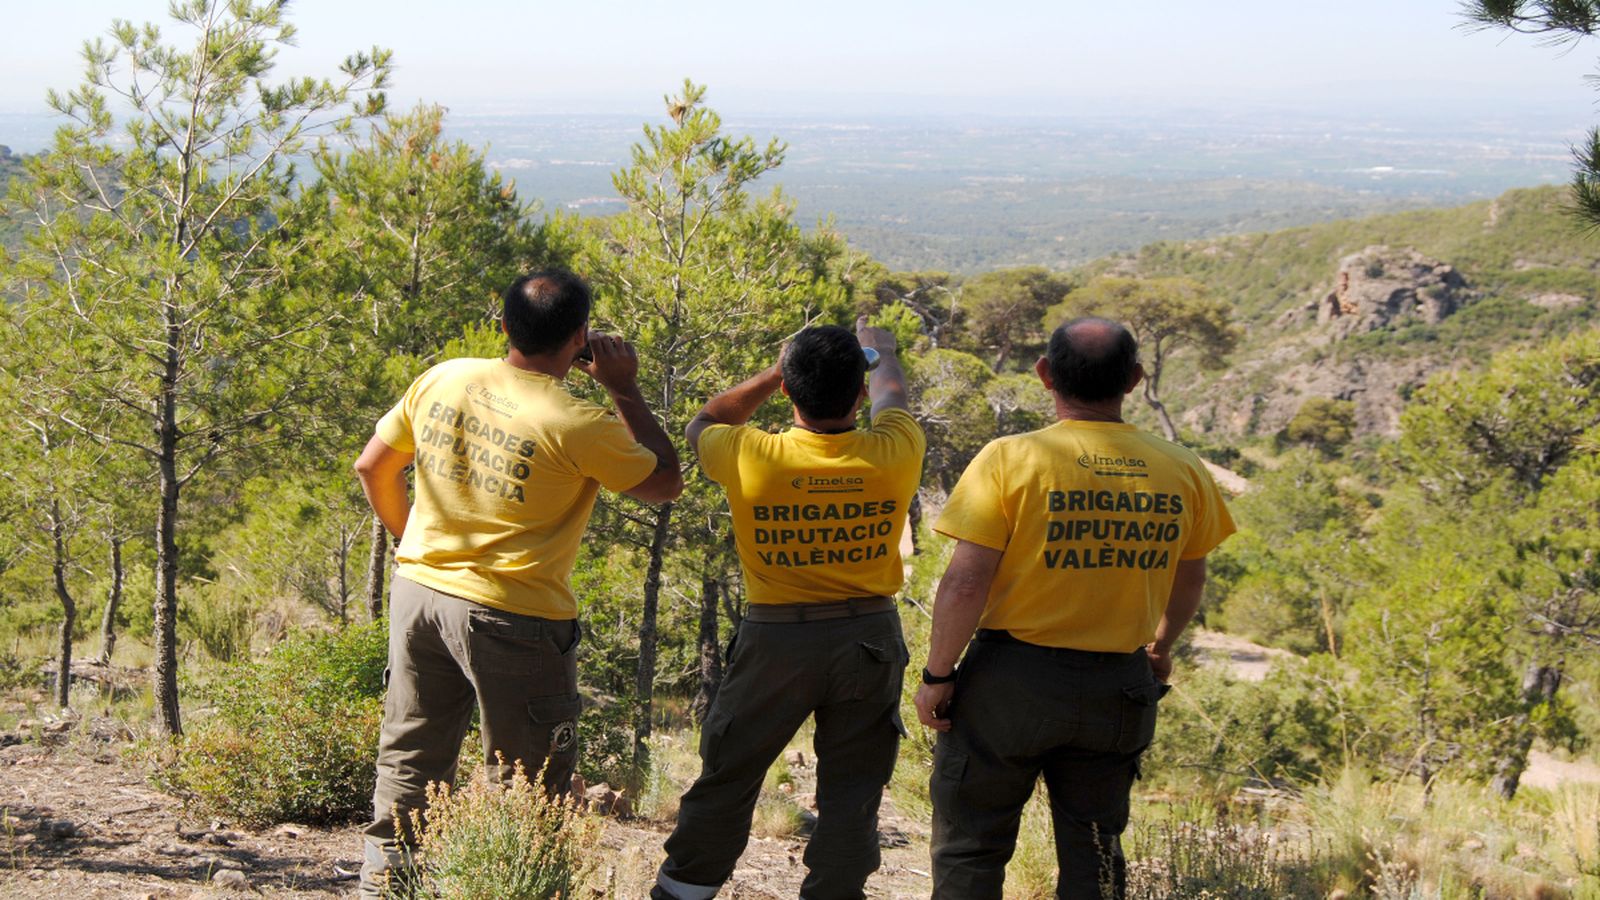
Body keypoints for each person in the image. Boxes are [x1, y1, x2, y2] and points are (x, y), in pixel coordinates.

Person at [352, 269, 683, 898]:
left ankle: (385, 887)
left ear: (503, 325)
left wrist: (412, 543)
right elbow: (666, 482)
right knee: (529, 780)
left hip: (419, 594)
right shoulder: (578, 421)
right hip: (515, 615)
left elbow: (373, 467)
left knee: (411, 756)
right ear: (580, 338)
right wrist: (625, 388)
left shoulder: (444, 377)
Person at [913, 316, 1236, 900]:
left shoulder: (1010, 458)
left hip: (1009, 684)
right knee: (1095, 856)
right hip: (1118, 687)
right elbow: (1191, 576)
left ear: (1044, 374)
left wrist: (938, 674)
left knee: (971, 847)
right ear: (1135, 379)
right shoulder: (1183, 468)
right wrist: (1160, 647)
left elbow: (965, 582)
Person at [652, 319, 925, 900]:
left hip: (776, 640)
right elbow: (893, 397)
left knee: (729, 776)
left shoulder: (749, 452)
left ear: (786, 391)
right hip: (868, 638)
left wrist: (777, 370)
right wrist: (885, 350)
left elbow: (704, 421)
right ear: (859, 392)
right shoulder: (897, 450)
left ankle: (684, 890)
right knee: (853, 790)